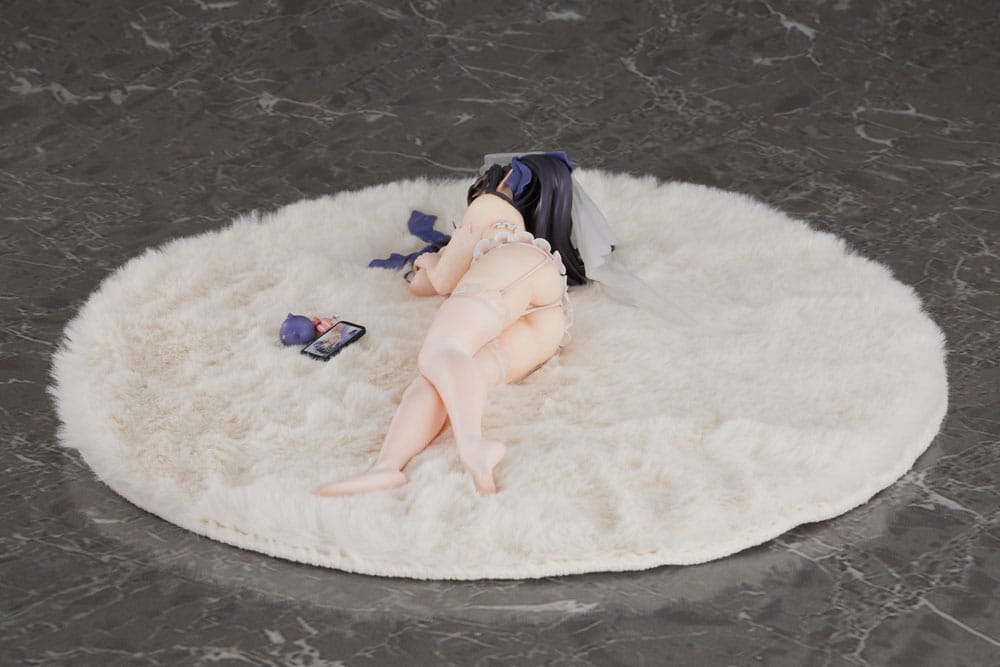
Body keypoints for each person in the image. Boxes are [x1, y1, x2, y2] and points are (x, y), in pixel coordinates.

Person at [314, 152, 583, 497]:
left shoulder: (489, 205)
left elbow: (437, 283)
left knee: (441, 351)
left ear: (506, 181)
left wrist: (429, 261)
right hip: (549, 322)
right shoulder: (518, 232)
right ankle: (387, 467)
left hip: (516, 269)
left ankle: (472, 446)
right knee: (443, 379)